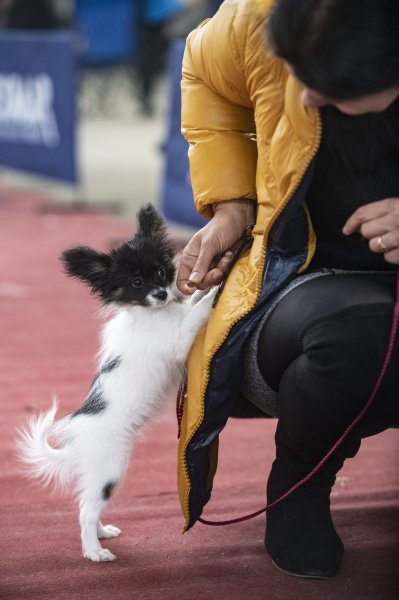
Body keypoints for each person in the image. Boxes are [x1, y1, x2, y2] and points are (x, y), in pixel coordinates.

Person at [174, 0, 399, 579]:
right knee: (355, 336)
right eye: (291, 67)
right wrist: (232, 204)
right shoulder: (259, 14)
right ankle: (300, 483)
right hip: (300, 283)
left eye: (327, 84)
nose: (301, 98)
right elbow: (203, 71)